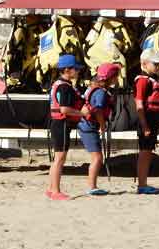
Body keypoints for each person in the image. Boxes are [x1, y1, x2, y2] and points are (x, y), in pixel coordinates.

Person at [46, 54, 89, 200]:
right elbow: (64, 109)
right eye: (75, 69)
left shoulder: (58, 84)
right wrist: (81, 113)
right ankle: (56, 191)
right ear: (66, 70)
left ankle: (51, 189)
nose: (78, 72)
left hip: (57, 124)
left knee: (57, 159)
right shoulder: (64, 87)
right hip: (61, 124)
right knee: (60, 159)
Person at [77, 63, 120, 196]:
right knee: (97, 158)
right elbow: (98, 111)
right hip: (89, 127)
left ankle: (93, 185)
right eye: (116, 76)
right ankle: (92, 186)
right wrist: (102, 125)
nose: (117, 79)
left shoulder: (93, 88)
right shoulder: (101, 93)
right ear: (109, 78)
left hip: (86, 125)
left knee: (97, 157)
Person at [133, 48, 159, 195]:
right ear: (145, 64)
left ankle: (143, 183)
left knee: (148, 152)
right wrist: (145, 125)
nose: (158, 67)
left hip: (152, 119)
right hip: (146, 120)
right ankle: (141, 184)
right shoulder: (142, 80)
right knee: (145, 152)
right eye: (155, 64)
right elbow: (139, 104)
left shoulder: (153, 79)